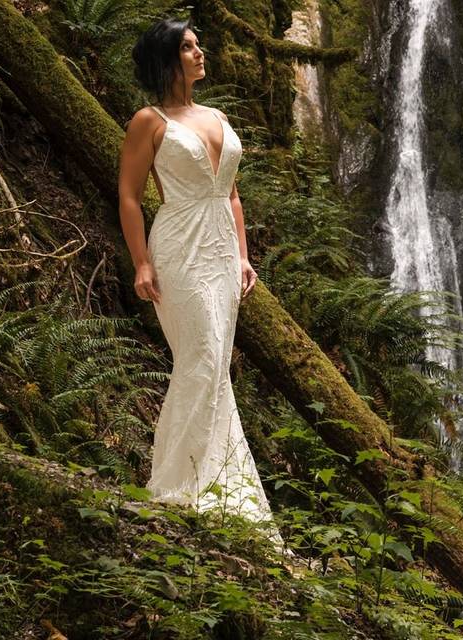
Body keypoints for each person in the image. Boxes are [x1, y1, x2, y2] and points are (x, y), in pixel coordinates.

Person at [117, 17, 286, 552]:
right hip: (179, 246)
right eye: (188, 47)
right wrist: (142, 263)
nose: (200, 51)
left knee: (216, 368)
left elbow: (232, 194)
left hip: (220, 252)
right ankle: (172, 486)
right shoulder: (148, 121)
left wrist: (242, 254)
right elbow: (128, 195)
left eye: (198, 43)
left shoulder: (216, 115)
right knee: (202, 361)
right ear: (168, 60)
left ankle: (219, 488)